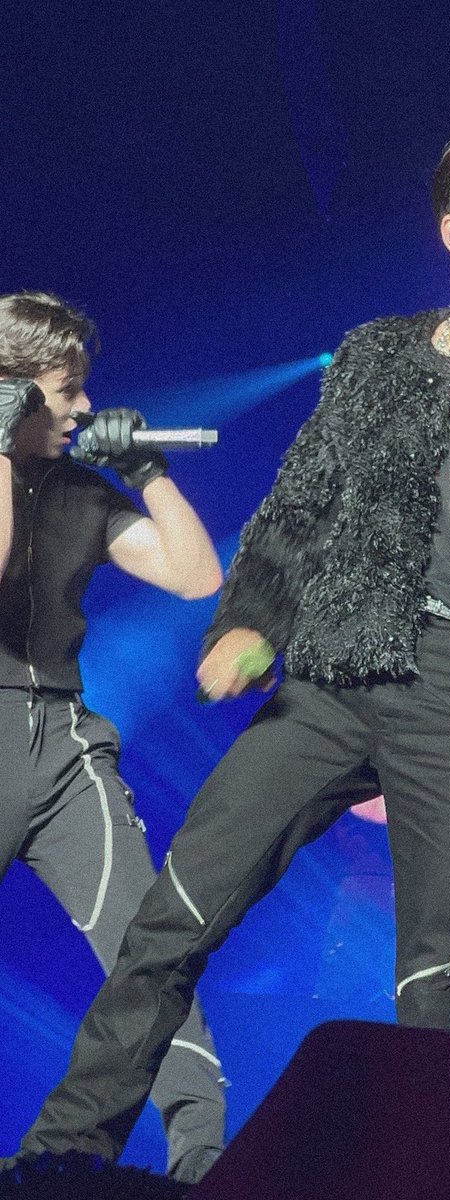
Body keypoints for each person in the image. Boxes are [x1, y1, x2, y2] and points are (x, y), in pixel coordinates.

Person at [12, 118, 450, 1170]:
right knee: (172, 916)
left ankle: (427, 1181)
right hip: (333, 675)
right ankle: (63, 1155)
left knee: (436, 984)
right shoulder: (377, 357)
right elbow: (297, 511)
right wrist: (250, 622)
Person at [0, 292, 226, 1183]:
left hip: (65, 745)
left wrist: (147, 469)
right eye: (67, 391)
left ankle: (202, 1160)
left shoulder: (82, 493)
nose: (86, 406)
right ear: (16, 390)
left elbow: (196, 577)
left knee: (150, 947)